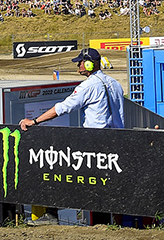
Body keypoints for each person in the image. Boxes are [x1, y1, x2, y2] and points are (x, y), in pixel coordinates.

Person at [18, 47, 125, 225]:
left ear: (89, 64)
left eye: (80, 63)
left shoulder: (88, 86)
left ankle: (52, 215)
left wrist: (35, 121)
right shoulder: (115, 84)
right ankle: (114, 225)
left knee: (62, 172)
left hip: (95, 144)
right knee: (110, 187)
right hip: (117, 143)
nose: (78, 66)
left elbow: (62, 108)